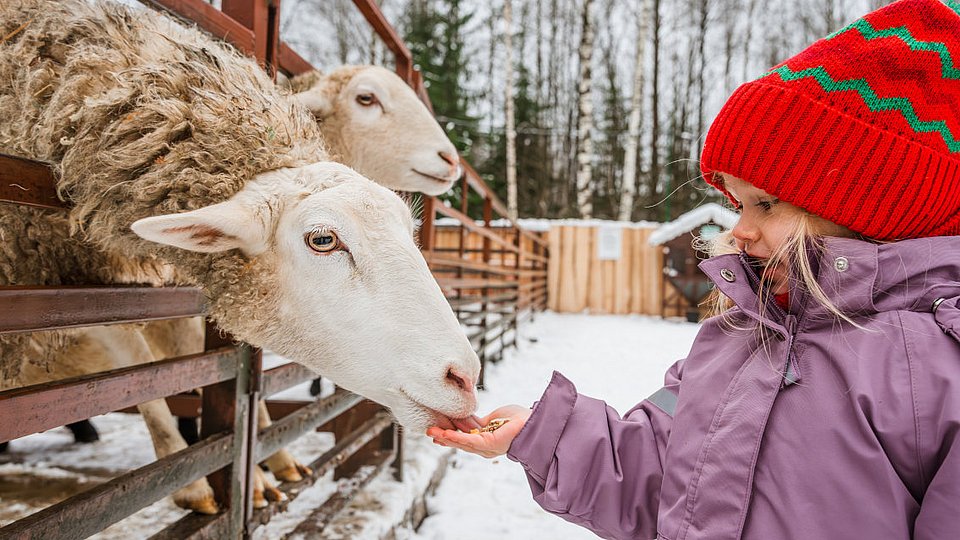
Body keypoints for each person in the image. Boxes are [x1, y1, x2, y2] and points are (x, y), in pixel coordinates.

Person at [427, 0, 960, 538]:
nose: (740, 230)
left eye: (767, 204)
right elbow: (660, 471)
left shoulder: (939, 367)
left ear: (869, 202)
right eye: (739, 205)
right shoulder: (737, 338)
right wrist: (545, 436)